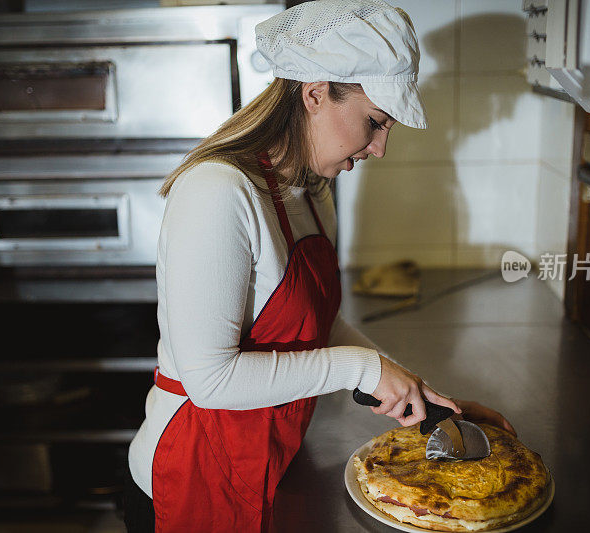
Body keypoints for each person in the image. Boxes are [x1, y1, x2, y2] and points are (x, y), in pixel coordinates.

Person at [125, 1, 515, 531]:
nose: (379, 148)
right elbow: (210, 382)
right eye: (374, 122)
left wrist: (408, 389)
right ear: (314, 94)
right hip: (194, 465)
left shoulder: (312, 193)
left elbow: (315, 322)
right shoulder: (218, 192)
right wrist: (363, 369)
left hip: (270, 452)